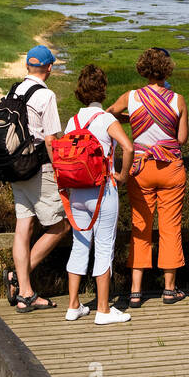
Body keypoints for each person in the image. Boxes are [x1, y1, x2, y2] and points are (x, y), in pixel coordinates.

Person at [107, 47, 188, 307]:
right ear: (167, 69)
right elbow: (182, 139)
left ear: (143, 69)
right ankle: (169, 289)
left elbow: (108, 114)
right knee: (170, 227)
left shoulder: (131, 97)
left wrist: (133, 120)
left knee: (140, 226)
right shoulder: (178, 100)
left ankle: (135, 291)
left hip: (140, 168)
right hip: (170, 167)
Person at [62, 64, 135, 325]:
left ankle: (73, 306)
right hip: (103, 190)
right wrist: (123, 175)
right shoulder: (106, 119)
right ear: (102, 90)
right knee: (104, 247)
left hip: (76, 192)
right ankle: (103, 310)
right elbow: (127, 147)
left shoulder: (73, 121)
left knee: (79, 246)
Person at [5, 45, 69, 313]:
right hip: (39, 169)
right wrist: (60, 173)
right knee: (61, 226)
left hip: (15, 168)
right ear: (49, 67)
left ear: (27, 66)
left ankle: (25, 292)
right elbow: (52, 140)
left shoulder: (13, 91)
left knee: (24, 228)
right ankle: (20, 282)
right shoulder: (46, 95)